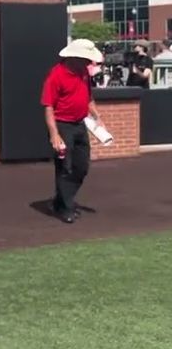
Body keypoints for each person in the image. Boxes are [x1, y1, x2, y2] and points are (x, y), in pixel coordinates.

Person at [41, 38, 103, 224]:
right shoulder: (56, 75)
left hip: (80, 123)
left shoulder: (83, 72)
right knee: (64, 168)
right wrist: (54, 134)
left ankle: (60, 201)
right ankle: (65, 207)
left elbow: (88, 97)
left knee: (81, 166)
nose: (89, 63)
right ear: (75, 57)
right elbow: (48, 106)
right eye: (86, 59)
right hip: (62, 125)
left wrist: (97, 117)